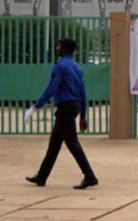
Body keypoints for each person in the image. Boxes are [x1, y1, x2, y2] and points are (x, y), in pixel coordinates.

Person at [24, 38, 99, 189]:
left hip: (65, 108)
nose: (57, 48)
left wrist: (36, 107)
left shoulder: (60, 67)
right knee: (54, 145)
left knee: (72, 144)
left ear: (64, 49)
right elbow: (83, 93)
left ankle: (90, 176)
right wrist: (83, 115)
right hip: (74, 106)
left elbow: (52, 88)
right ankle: (41, 176)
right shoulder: (78, 67)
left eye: (59, 46)